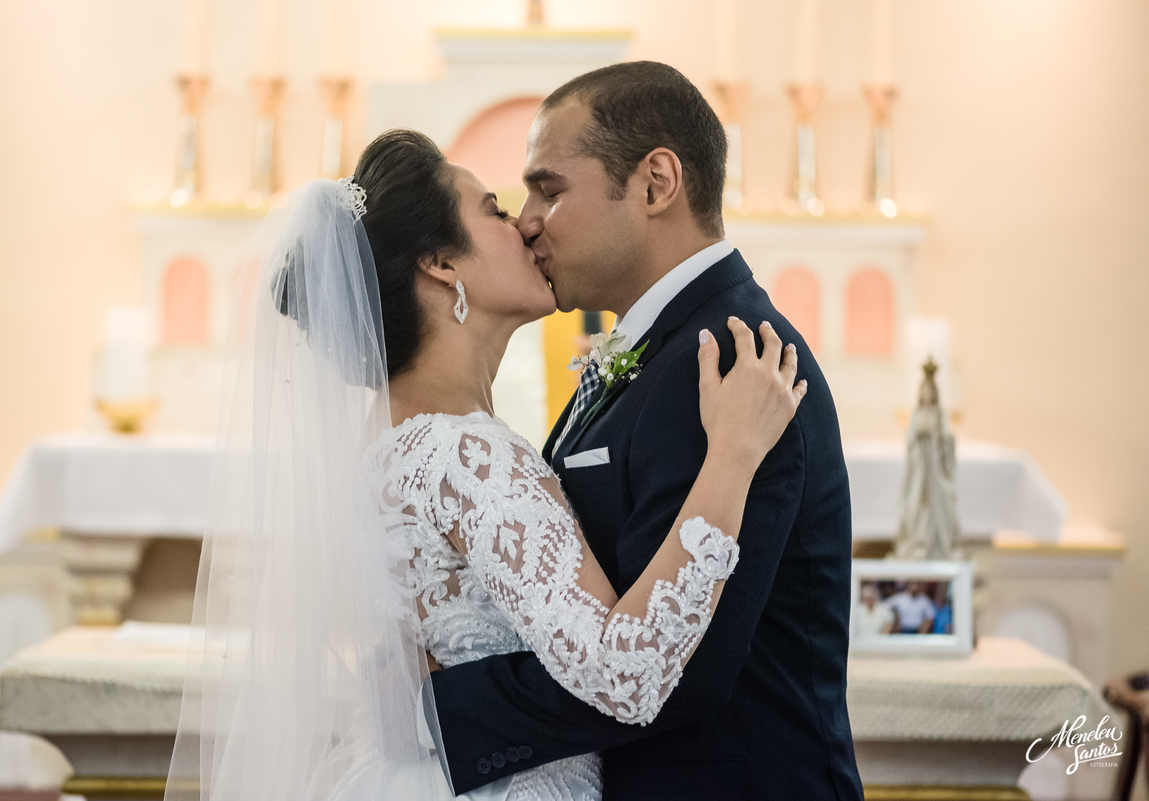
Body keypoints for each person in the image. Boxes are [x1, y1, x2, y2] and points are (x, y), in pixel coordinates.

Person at [163, 127, 806, 801]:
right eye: (495, 210)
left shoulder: (383, 448)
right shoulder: (464, 454)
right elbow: (624, 674)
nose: (526, 226)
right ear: (442, 263)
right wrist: (732, 455)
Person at [423, 62, 864, 801]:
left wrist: (434, 711)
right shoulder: (666, 345)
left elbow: (679, 669)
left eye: (550, 189)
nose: (528, 221)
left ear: (657, 183)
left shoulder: (731, 359)